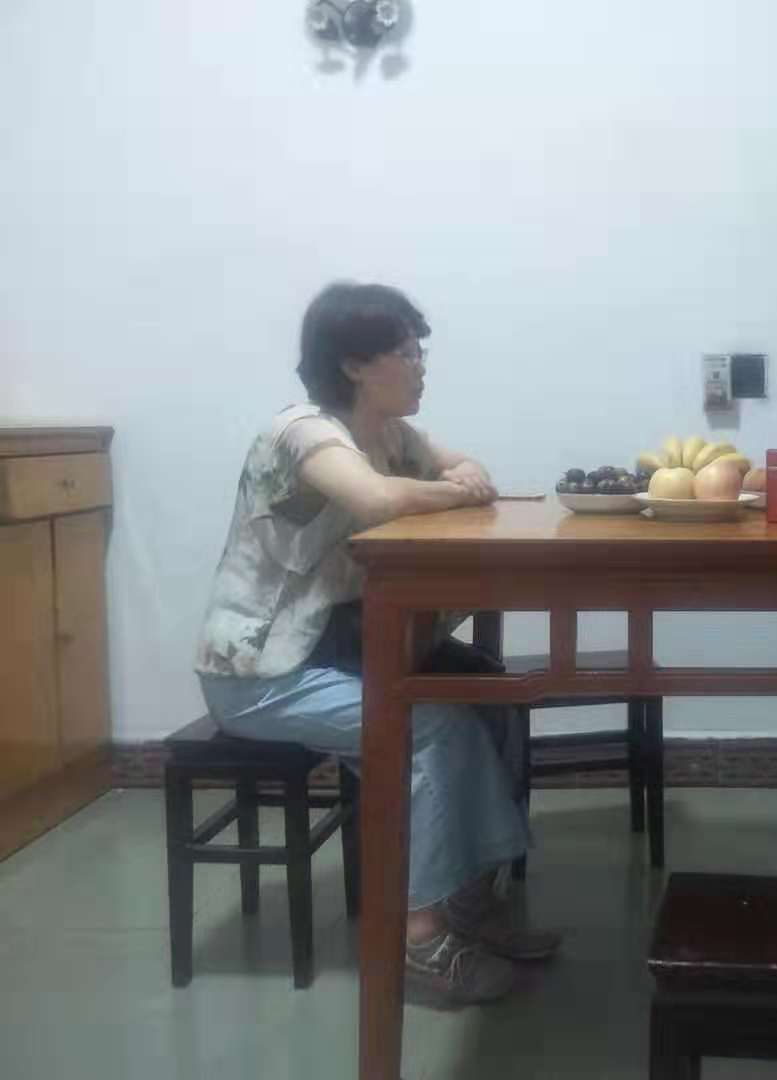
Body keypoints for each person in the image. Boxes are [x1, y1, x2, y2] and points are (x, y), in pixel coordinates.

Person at [195, 282, 559, 1006]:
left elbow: (469, 469)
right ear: (355, 364)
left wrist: (460, 479)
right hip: (263, 672)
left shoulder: (392, 435)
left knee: (486, 691)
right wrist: (455, 491)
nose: (421, 367)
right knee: (430, 724)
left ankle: (467, 904)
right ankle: (419, 939)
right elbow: (378, 499)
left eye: (420, 352)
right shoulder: (302, 434)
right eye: (407, 353)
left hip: (338, 651)